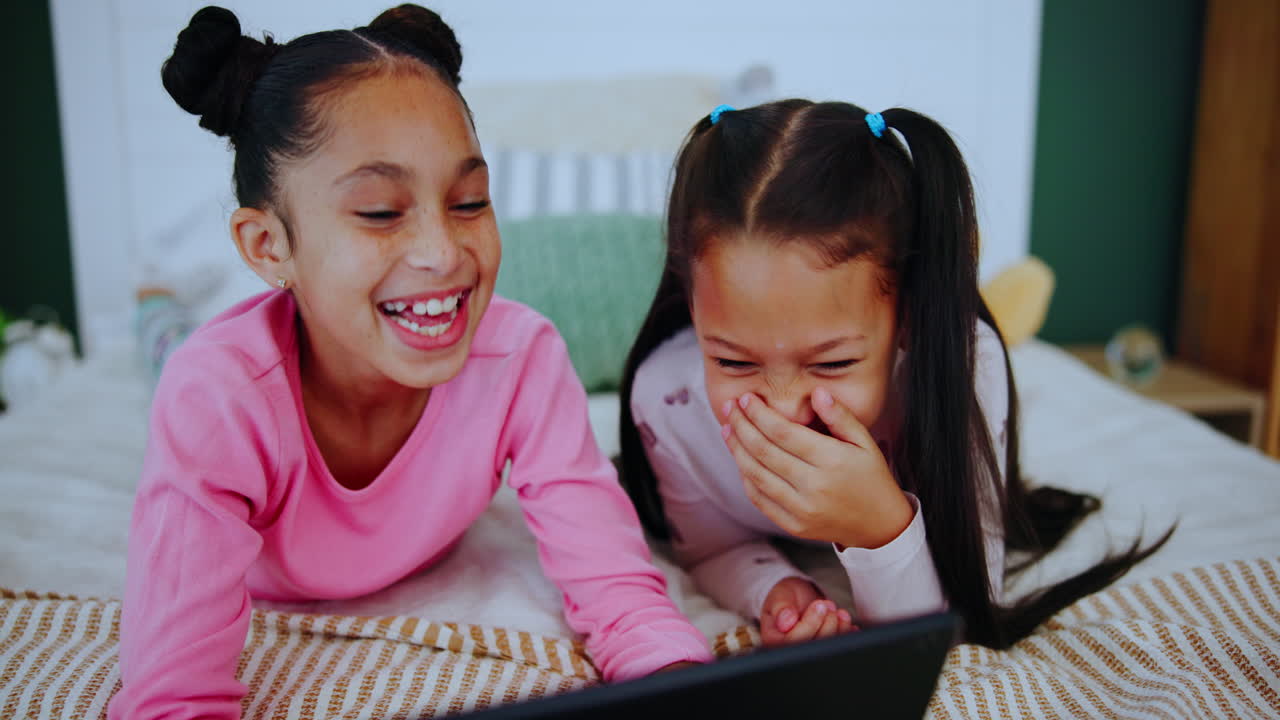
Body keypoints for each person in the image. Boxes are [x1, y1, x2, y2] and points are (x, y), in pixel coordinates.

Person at [110, 6, 709, 718]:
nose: (444, 253)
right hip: (204, 365)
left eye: (468, 202)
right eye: (380, 212)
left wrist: (683, 682)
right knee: (171, 351)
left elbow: (622, 594)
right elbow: (172, 692)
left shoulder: (522, 357)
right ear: (269, 247)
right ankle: (155, 303)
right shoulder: (217, 397)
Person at [619, 100, 1168, 649]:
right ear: (692, 310)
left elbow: (965, 612)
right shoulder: (667, 401)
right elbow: (711, 549)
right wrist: (777, 588)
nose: (783, 408)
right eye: (734, 362)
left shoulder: (964, 367)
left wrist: (881, 528)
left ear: (905, 319)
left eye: (832, 363)